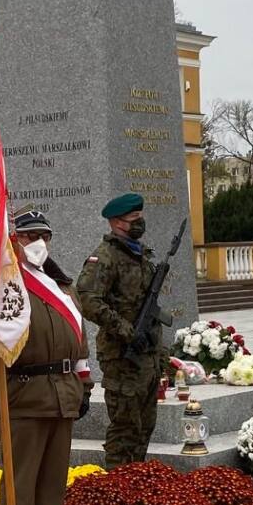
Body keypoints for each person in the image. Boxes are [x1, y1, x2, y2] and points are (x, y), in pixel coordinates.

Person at [0, 209, 90, 505]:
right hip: (24, 389)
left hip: (62, 390)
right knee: (21, 478)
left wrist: (83, 383)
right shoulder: (4, 282)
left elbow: (79, 339)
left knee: (53, 477)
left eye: (43, 237)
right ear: (14, 241)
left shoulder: (60, 283)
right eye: (29, 236)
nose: (38, 243)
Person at [75, 192, 168, 468]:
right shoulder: (105, 257)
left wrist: (159, 352)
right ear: (117, 223)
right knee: (125, 428)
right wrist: (126, 330)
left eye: (140, 217)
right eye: (133, 219)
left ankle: (135, 479)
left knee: (145, 425)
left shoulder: (141, 255)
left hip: (148, 355)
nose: (139, 223)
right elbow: (88, 300)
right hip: (123, 356)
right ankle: (118, 485)